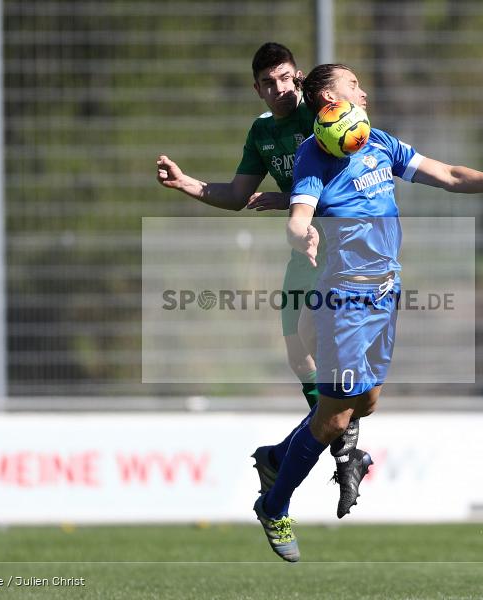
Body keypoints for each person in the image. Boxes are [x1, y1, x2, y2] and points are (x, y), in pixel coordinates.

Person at [253, 63, 483, 562]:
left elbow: (449, 175)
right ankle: (275, 503)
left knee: (366, 402)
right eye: (353, 85)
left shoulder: (380, 144)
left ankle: (278, 457)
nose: (364, 92)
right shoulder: (314, 153)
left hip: (384, 295)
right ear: (329, 97)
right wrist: (299, 233)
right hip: (344, 301)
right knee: (331, 419)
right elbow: (299, 214)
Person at [155, 44, 373, 517]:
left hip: (342, 249)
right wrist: (186, 183)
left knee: (337, 365)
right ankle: (343, 450)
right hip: (303, 249)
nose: (279, 89)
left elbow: (351, 159)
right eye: (268, 83)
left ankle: (336, 451)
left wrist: (292, 198)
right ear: (256, 88)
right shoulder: (262, 131)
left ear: (298, 78)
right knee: (299, 355)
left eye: (284, 78)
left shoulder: (322, 115)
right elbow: (236, 195)